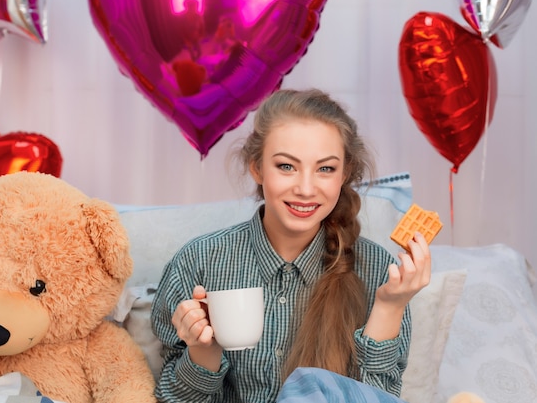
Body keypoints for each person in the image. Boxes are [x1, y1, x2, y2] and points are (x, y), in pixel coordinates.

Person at [151, 88, 431, 402]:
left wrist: (390, 307)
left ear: (345, 174)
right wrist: (204, 350)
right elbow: (172, 398)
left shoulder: (379, 271)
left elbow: (378, 399)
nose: (305, 188)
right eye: (287, 166)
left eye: (325, 169)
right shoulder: (198, 262)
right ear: (257, 168)